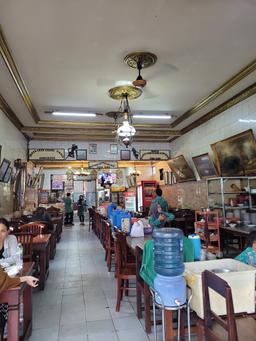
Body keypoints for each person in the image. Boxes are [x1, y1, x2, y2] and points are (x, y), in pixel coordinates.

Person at [0, 222, 38, 338]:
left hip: (10, 274)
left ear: (8, 232)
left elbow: (15, 259)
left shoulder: (11, 239)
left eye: (2, 230)